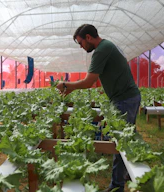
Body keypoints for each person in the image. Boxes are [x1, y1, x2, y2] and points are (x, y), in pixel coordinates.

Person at [56, 24, 141, 192]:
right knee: (123, 139)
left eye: (81, 43)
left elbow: (89, 82)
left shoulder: (101, 50)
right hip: (126, 97)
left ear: (88, 37)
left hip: (125, 99)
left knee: (120, 142)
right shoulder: (107, 45)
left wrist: (66, 85)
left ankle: (117, 186)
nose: (81, 47)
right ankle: (125, 177)